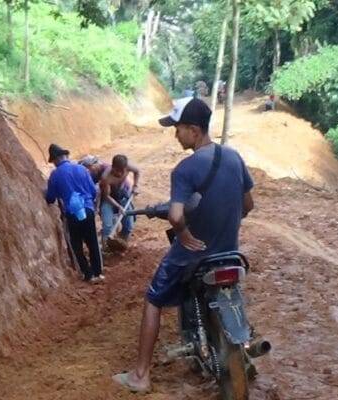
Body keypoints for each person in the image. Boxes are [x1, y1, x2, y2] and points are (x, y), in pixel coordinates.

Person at [112, 97, 254, 393]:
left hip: (194, 256)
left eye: (178, 129)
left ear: (194, 130)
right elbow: (248, 204)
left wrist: (186, 235)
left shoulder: (185, 169)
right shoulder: (234, 157)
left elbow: (176, 215)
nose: (175, 134)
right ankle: (242, 347)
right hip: (229, 252)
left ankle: (140, 375)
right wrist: (220, 222)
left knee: (153, 299)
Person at [45, 144, 104, 282]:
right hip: (88, 209)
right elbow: (93, 191)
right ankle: (98, 273)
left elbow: (50, 198)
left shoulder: (55, 175)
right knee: (92, 242)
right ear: (66, 156)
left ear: (56, 160)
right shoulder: (82, 169)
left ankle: (87, 274)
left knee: (76, 244)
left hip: (72, 213)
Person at [99, 154, 139, 247]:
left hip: (122, 195)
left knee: (129, 225)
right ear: (112, 167)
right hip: (108, 199)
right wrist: (118, 207)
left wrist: (135, 186)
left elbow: (137, 171)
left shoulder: (128, 166)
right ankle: (106, 247)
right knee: (107, 226)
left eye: (122, 171)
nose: (120, 174)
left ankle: (122, 242)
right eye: (117, 171)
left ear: (126, 168)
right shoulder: (106, 178)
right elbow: (106, 196)